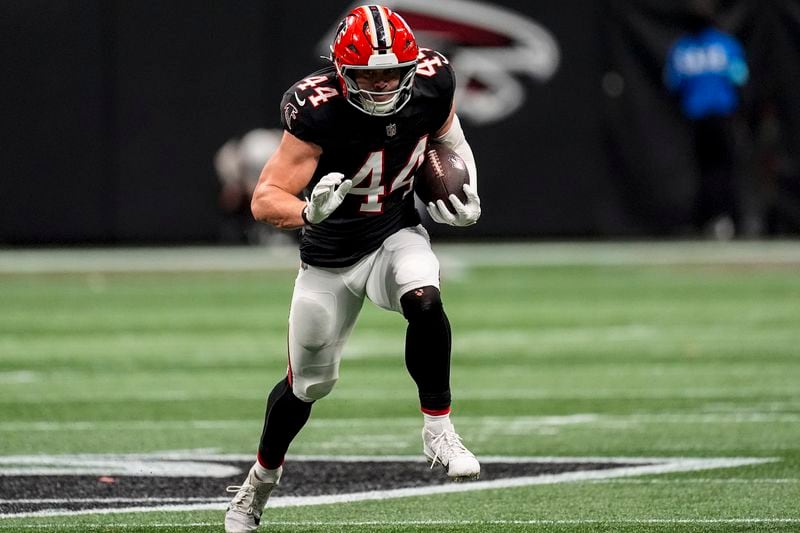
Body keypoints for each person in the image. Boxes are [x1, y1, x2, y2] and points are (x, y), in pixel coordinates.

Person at [224, 5, 482, 532]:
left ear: (412, 66)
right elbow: (264, 197)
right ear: (343, 72)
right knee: (306, 388)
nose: (384, 83)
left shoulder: (433, 82)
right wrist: (305, 212)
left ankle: (439, 429)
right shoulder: (316, 108)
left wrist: (469, 189)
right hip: (329, 258)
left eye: (393, 71)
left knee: (425, 298)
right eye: (369, 74)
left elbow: (450, 141)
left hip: (394, 232)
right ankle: (257, 486)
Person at [663, 0, 750, 238]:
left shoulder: (682, 49)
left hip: (699, 118)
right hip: (719, 116)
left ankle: (712, 219)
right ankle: (722, 219)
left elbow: (673, 84)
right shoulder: (725, 45)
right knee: (720, 170)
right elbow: (740, 77)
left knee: (708, 171)